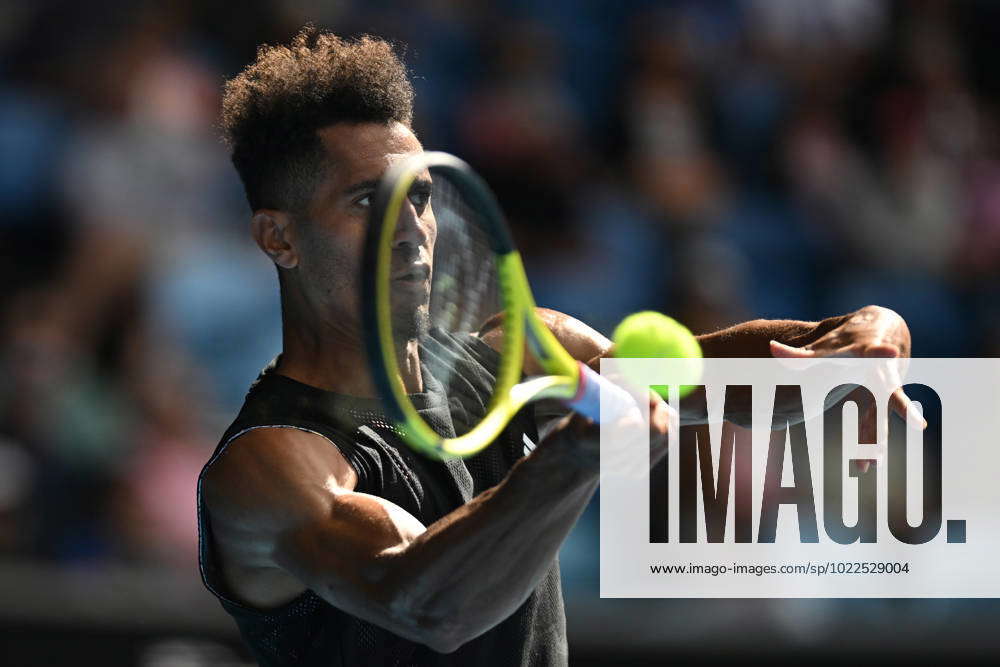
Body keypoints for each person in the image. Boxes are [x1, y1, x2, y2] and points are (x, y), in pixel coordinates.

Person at [197, 28, 915, 666]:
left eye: (417, 196)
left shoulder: (520, 354)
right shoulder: (270, 465)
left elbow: (738, 381)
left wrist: (867, 338)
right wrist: (572, 459)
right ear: (279, 237)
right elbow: (426, 604)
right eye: (365, 202)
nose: (409, 226)